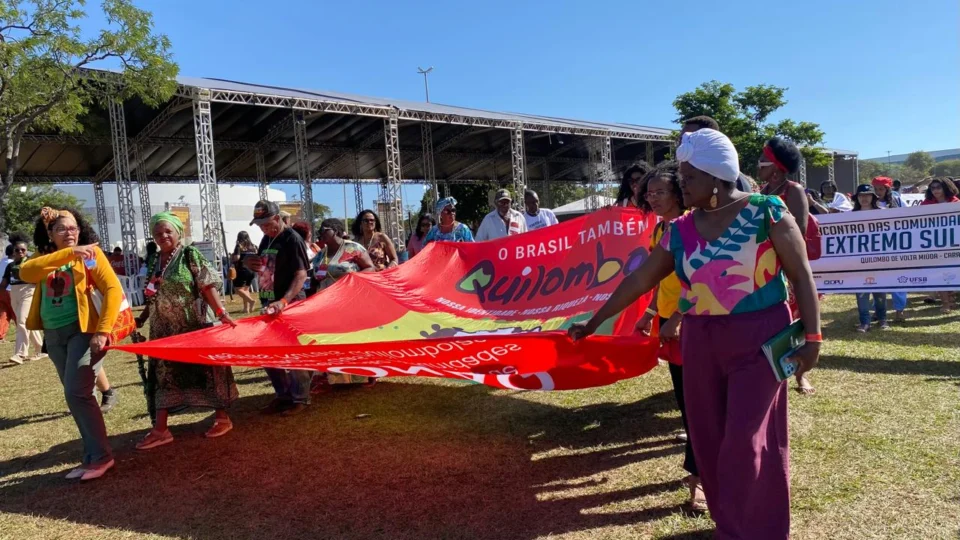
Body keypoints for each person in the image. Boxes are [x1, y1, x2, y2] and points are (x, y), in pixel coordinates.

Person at [569, 128, 820, 539]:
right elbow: (640, 279)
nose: (681, 185)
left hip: (759, 339)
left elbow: (802, 275)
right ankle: (731, 524)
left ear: (716, 177)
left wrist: (813, 338)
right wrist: (595, 321)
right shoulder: (680, 230)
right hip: (701, 341)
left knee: (746, 440)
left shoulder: (767, 212)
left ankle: (759, 530)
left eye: (688, 178)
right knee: (710, 440)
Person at [20, 207, 123, 481]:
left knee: (77, 393)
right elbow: (26, 273)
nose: (70, 232)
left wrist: (103, 331)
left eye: (74, 227)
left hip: (84, 331)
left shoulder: (92, 253)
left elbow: (113, 289)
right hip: (54, 337)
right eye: (63, 228)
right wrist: (68, 254)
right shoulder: (45, 259)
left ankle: (101, 457)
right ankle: (91, 455)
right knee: (75, 396)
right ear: (50, 234)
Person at [632, 161, 705, 511]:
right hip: (669, 324)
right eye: (649, 192)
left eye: (660, 191)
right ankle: (702, 467)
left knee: (698, 405)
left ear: (678, 193)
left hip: (695, 322)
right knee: (685, 403)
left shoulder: (693, 227)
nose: (653, 197)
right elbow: (657, 279)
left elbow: (704, 280)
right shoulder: (659, 231)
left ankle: (699, 482)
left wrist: (676, 316)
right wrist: (651, 313)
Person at [133, 212, 239, 450]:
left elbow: (207, 284)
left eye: (168, 231)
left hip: (195, 325)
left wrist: (221, 313)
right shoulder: (152, 261)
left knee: (207, 371)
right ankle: (161, 430)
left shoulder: (189, 254)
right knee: (163, 374)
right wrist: (140, 319)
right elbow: (152, 295)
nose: (163, 236)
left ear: (178, 232)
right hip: (163, 330)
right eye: (158, 233)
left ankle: (222, 418)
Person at [243, 200, 312, 416]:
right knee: (268, 353)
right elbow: (265, 268)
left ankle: (300, 398)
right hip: (268, 304)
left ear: (277, 218)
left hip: (290, 304)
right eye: (260, 224)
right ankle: (283, 395)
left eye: (266, 223)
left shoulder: (293, 239)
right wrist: (249, 264)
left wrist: (284, 301)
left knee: (295, 352)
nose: (263, 228)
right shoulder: (267, 238)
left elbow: (301, 274)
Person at [758, 137, 816, 394]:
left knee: (796, 322)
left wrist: (790, 273)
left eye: (763, 161)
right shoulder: (760, 192)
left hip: (787, 266)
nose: (758, 165)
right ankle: (773, 369)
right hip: (763, 267)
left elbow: (799, 232)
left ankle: (800, 374)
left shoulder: (794, 190)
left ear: (776, 166)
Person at [309, 218, 376, 388]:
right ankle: (337, 378)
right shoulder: (320, 255)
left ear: (336, 231)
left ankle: (364, 374)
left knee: (354, 338)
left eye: (325, 229)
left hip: (350, 301)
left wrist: (351, 280)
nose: (321, 233)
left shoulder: (352, 248)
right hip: (326, 303)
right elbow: (313, 277)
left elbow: (370, 268)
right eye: (319, 230)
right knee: (333, 340)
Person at [850, 184, 891, 331]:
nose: (864, 198)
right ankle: (865, 322)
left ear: (873, 197)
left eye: (868, 195)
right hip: (859, 262)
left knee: (880, 293)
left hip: (879, 260)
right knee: (862, 294)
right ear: (857, 198)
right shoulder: (849, 215)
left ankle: (883, 320)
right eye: (861, 195)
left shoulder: (884, 213)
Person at [2, 233, 44, 364]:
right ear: (13, 251)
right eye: (17, 250)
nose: (20, 252)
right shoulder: (10, 266)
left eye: (23, 250)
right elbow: (4, 283)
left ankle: (20, 354)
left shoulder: (31, 262)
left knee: (21, 320)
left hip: (28, 291)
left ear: (26, 251)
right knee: (26, 323)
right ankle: (41, 349)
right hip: (14, 293)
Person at [920, 178, 959, 313]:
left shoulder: (956, 203)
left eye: (938, 187)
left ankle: (953, 298)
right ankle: (946, 303)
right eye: (932, 188)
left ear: (945, 188)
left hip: (955, 244)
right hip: (935, 245)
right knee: (941, 274)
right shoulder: (926, 204)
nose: (935, 190)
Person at [230, 231, 259, 314]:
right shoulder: (254, 246)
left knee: (238, 289)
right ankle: (246, 308)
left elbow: (237, 258)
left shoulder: (239, 246)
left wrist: (232, 257)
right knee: (246, 289)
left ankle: (251, 301)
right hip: (252, 270)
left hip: (243, 269)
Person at [291, 221, 318, 294]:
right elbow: (302, 262)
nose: (311, 234)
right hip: (305, 277)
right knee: (307, 295)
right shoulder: (299, 246)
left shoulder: (309, 246)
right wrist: (315, 258)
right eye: (309, 232)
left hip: (312, 275)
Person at [0, 243, 17, 343]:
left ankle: (1, 335)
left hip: (1, 290)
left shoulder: (2, 261)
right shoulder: (13, 264)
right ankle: (22, 333)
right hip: (11, 290)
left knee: (3, 313)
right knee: (16, 313)